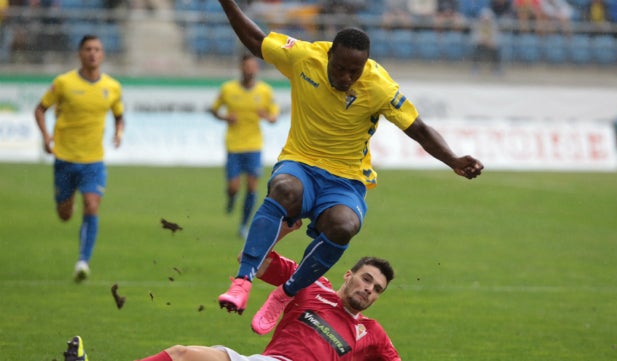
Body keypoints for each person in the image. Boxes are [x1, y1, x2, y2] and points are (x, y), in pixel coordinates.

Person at [215, 0, 484, 336]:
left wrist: (454, 160)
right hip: (301, 162)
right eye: (340, 68)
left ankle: (285, 294)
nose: (346, 77)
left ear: (365, 65)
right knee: (285, 189)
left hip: (346, 180)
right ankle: (243, 280)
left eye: (354, 72)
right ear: (329, 56)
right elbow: (256, 41)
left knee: (345, 225)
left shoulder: (379, 85)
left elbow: (418, 129)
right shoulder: (304, 55)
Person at [64, 250, 401, 361]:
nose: (369, 290)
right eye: (366, 279)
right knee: (182, 355)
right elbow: (255, 259)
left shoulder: (371, 333)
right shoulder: (310, 284)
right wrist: (282, 227)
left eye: (377, 289)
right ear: (349, 275)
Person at [34, 34, 125, 283]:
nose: (93, 53)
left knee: (92, 205)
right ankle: (68, 202)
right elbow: (40, 109)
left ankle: (83, 262)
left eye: (97, 49)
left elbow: (119, 115)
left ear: (103, 54)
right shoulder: (63, 83)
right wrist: (45, 136)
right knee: (64, 215)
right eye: (88, 49)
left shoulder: (112, 87)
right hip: (64, 157)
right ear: (79, 54)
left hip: (94, 161)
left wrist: (119, 133)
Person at [210, 53, 280, 239]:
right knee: (233, 187)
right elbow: (213, 110)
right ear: (241, 68)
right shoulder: (228, 89)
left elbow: (274, 116)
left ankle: (243, 225)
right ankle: (231, 197)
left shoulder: (264, 91)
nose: (250, 70)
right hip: (234, 145)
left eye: (253, 66)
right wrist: (225, 117)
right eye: (246, 66)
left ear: (256, 69)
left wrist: (267, 117)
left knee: (251, 187)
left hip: (254, 146)